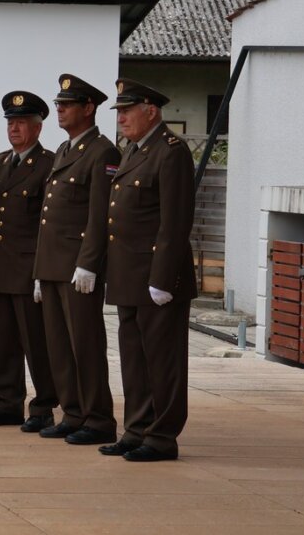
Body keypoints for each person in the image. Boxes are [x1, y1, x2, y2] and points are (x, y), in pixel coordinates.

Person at [101, 78, 196, 462]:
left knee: (162, 361)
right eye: (119, 112)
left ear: (151, 111)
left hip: (156, 278)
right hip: (127, 274)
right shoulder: (134, 150)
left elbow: (174, 222)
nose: (121, 118)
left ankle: (161, 437)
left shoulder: (170, 152)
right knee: (134, 360)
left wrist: (162, 277)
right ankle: (137, 428)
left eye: (127, 110)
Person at [33, 74, 120, 446]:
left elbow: (100, 215)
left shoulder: (103, 152)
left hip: (77, 268)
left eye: (67, 105)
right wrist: (40, 270)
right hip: (53, 265)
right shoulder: (66, 150)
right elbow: (49, 217)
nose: (60, 110)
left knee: (84, 344)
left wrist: (89, 263)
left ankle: (98, 418)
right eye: (58, 105)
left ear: (89, 108)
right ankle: (72, 412)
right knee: (59, 345)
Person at [0, 91, 57, 432]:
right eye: (10, 122)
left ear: (37, 127)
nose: (14, 129)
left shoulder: (49, 164)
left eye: (21, 123)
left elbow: (48, 220)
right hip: (1, 263)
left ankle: (44, 405)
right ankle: (8, 402)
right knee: (2, 340)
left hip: (30, 265)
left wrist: (43, 270)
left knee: (36, 341)